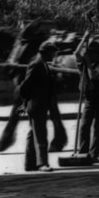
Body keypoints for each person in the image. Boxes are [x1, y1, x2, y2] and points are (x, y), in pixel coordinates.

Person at [18, 40, 59, 171]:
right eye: (53, 53)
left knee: (33, 134)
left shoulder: (43, 65)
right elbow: (24, 87)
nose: (54, 56)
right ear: (45, 53)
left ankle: (29, 164)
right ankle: (42, 163)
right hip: (36, 105)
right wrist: (27, 102)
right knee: (41, 134)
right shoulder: (36, 65)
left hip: (39, 105)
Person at [73, 33, 99, 162]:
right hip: (89, 99)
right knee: (84, 126)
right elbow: (76, 53)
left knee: (98, 128)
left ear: (98, 55)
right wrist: (84, 38)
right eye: (89, 53)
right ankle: (83, 152)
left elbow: (93, 75)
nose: (91, 55)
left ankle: (95, 154)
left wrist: (88, 61)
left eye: (93, 53)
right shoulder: (82, 65)